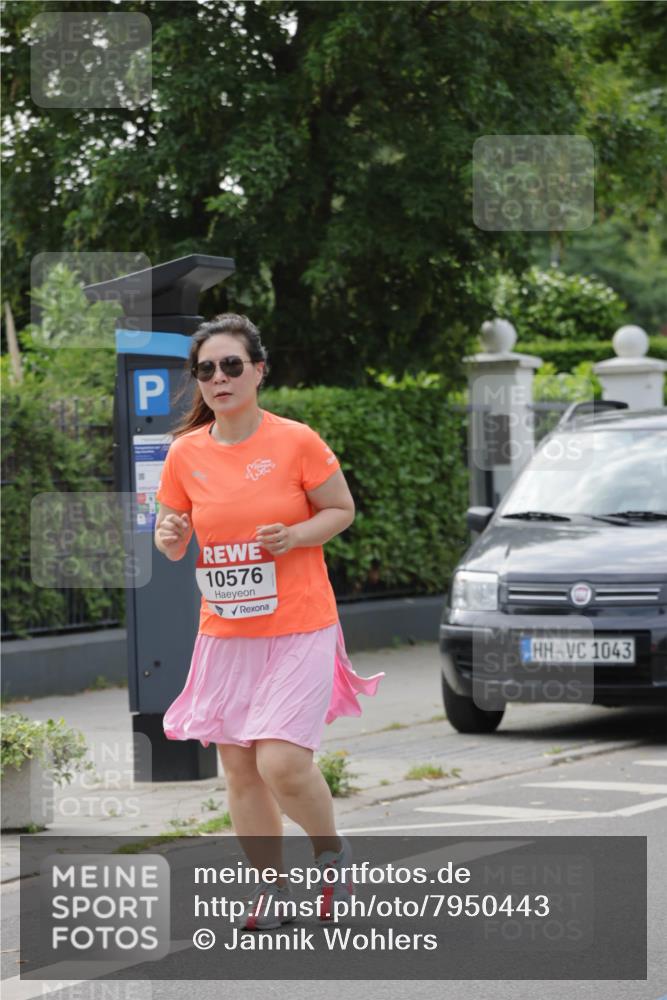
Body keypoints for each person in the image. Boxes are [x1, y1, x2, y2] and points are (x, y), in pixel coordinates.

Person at [153, 313, 384, 929]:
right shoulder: (184, 454)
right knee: (239, 767)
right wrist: (170, 533)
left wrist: (296, 535)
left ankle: (330, 851)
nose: (219, 378)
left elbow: (341, 509)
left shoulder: (296, 440)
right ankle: (271, 886)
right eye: (206, 369)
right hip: (226, 631)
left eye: (232, 365)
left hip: (300, 624)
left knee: (281, 761)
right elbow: (172, 538)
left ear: (259, 369)